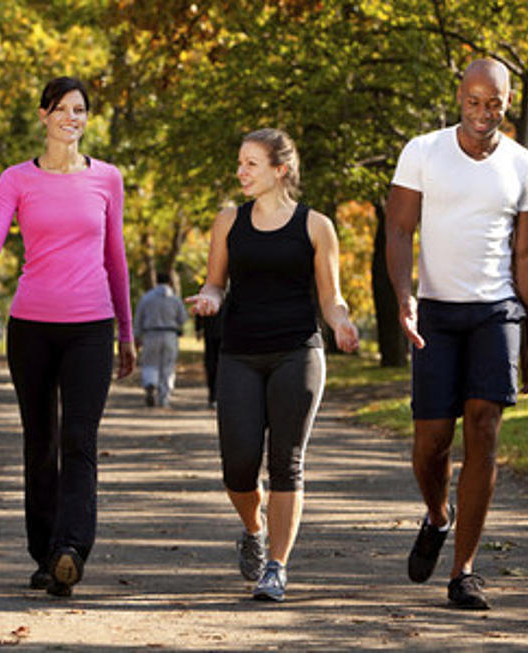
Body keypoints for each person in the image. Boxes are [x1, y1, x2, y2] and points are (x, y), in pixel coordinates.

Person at [0, 76, 135, 598]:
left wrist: (126, 330)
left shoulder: (108, 180)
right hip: (30, 327)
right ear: (44, 115)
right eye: (63, 109)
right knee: (40, 443)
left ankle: (70, 549)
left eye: (81, 110)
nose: (73, 117)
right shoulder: (15, 180)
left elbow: (115, 258)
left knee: (80, 441)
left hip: (91, 328)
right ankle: (45, 553)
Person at [385, 59, 528, 610]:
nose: (482, 114)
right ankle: (437, 515)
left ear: (506, 103)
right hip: (435, 311)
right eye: (473, 102)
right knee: (431, 443)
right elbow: (400, 229)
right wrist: (405, 298)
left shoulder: (525, 166)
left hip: (495, 312)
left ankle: (465, 571)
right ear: (460, 97)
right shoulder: (423, 151)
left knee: (484, 428)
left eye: (493, 104)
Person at [187, 128, 359, 602]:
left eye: (251, 164)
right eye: (240, 163)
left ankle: (277, 568)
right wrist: (208, 298)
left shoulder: (316, 226)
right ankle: (253, 526)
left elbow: (331, 297)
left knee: (287, 462)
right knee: (238, 466)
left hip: (297, 352)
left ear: (279, 170)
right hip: (239, 352)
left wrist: (342, 324)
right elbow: (216, 283)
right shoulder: (228, 221)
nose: (240, 171)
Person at [133, 271, 189, 407]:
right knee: (168, 366)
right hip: (170, 334)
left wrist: (137, 337)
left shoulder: (146, 298)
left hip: (151, 334)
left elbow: (138, 319)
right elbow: (183, 318)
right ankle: (164, 397)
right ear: (170, 282)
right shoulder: (175, 299)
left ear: (156, 280)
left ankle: (150, 383)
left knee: (150, 363)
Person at [195, 307, 223, 408]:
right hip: (223, 332)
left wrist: (198, 328)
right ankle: (216, 395)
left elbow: (200, 310)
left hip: (211, 331)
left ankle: (213, 396)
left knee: (212, 364)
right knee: (220, 365)